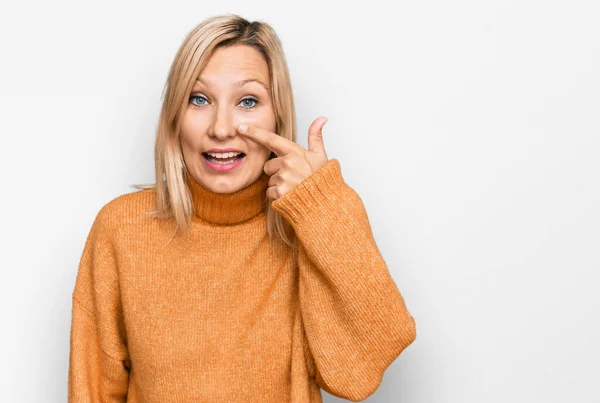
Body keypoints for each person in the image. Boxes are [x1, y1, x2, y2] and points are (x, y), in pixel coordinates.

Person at [67, 13, 416, 403]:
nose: (221, 128)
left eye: (247, 101)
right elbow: (92, 392)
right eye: (199, 99)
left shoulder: (308, 227)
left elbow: (359, 373)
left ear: (277, 119)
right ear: (174, 119)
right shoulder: (122, 228)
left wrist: (320, 205)